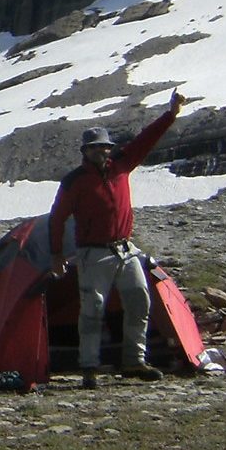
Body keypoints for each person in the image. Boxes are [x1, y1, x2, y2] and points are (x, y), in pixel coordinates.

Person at [47, 91, 185, 389]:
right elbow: (57, 218)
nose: (103, 152)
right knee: (92, 310)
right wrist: (57, 255)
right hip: (92, 254)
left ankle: (134, 361)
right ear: (85, 151)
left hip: (125, 249)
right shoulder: (74, 182)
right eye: (96, 148)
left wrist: (170, 114)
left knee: (139, 300)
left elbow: (146, 140)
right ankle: (89, 368)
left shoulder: (122, 165)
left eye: (106, 147)